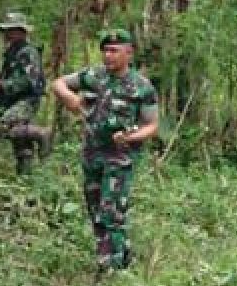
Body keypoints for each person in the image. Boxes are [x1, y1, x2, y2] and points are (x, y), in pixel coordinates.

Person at [50, 28, 158, 273]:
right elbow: (58, 83)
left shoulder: (141, 87)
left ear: (129, 53)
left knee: (111, 211)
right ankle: (113, 254)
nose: (108, 56)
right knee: (95, 209)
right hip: (92, 155)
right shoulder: (93, 77)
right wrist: (69, 97)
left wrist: (132, 136)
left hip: (119, 157)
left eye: (114, 51)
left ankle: (114, 267)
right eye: (105, 51)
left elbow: (151, 125)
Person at [0, 12, 50, 174]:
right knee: (21, 143)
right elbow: (13, 75)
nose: (6, 34)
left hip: (26, 99)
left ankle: (41, 133)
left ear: (21, 32)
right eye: (6, 30)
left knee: (2, 127)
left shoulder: (27, 52)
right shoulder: (13, 52)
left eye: (10, 30)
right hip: (14, 99)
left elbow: (28, 80)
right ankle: (25, 179)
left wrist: (3, 85)